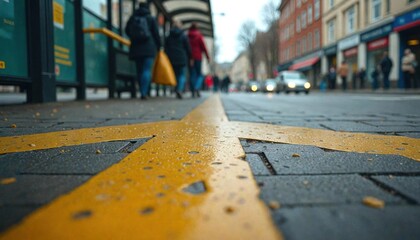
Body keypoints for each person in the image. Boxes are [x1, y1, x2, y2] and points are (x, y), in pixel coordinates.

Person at [125, 1, 161, 100]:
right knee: (146, 70)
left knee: (139, 71)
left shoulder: (133, 18)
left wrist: (134, 37)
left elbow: (127, 30)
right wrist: (159, 47)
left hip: (136, 48)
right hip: (149, 48)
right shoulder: (151, 18)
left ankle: (142, 90)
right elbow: (156, 35)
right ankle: (144, 92)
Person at [165, 20, 191, 99]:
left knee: (175, 75)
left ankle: (176, 89)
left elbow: (166, 47)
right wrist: (190, 57)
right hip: (182, 57)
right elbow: (188, 48)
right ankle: (179, 89)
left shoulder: (169, 35)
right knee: (181, 75)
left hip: (172, 58)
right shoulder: (183, 35)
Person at [188, 23, 210, 98]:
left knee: (192, 74)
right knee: (199, 74)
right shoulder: (199, 36)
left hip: (190, 57)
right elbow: (203, 47)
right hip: (198, 57)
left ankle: (192, 91)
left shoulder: (187, 35)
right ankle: (196, 87)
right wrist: (207, 57)